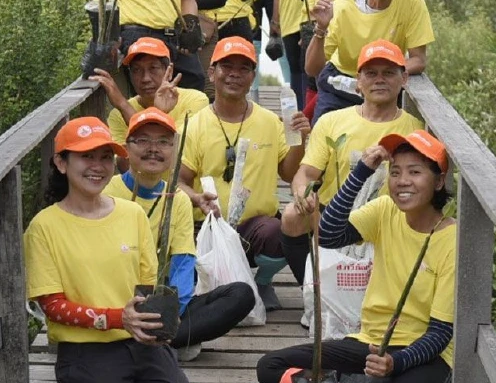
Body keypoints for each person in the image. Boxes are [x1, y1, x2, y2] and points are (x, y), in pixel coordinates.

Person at [24, 117, 206, 383]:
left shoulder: (132, 214)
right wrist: (117, 318)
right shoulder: (44, 227)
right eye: (86, 157)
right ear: (61, 163)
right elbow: (52, 306)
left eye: (105, 157)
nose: (98, 166)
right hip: (86, 352)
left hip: (140, 343)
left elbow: (147, 284)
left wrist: (157, 324)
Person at [256, 130, 456, 383]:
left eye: (415, 172)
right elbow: (330, 234)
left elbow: (440, 333)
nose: (402, 181)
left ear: (439, 181)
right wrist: (361, 171)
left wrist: (396, 363)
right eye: (395, 172)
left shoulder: (453, 240)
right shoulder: (386, 209)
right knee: (269, 367)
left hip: (424, 354)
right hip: (369, 344)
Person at [106, 108, 256, 361]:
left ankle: (159, 338)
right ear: (126, 148)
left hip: (162, 299)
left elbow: (183, 260)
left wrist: (172, 311)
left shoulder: (179, 198)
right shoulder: (107, 192)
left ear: (174, 151)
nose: (153, 149)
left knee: (241, 295)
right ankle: (160, 340)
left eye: (163, 142)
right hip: (117, 303)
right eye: (143, 140)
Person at [177, 37, 310, 311]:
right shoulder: (195, 124)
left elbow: (288, 174)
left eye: (244, 68)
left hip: (254, 228)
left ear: (253, 77)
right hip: (207, 228)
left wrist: (300, 140)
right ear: (211, 73)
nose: (234, 74)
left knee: (280, 232)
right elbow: (178, 181)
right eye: (227, 66)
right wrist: (196, 198)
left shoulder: (270, 121)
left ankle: (262, 281)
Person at [278, 40, 424, 281]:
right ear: (358, 81)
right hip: (332, 215)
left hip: (387, 219)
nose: (379, 80)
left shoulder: (416, 130)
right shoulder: (331, 121)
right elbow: (306, 173)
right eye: (371, 73)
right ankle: (313, 289)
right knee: (293, 215)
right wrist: (302, 192)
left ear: (404, 79)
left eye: (389, 73)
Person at [306, 0, 434, 122]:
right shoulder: (342, 7)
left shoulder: (411, 0)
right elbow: (312, 69)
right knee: (324, 132)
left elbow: (418, 60)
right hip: (342, 82)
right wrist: (321, 27)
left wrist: (378, 79)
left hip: (384, 84)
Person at [90, 35, 209, 155]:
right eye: (137, 70)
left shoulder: (195, 100)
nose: (145, 78)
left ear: (169, 71)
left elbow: (177, 151)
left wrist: (124, 106)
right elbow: (124, 161)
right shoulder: (118, 115)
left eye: (153, 68)